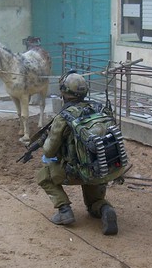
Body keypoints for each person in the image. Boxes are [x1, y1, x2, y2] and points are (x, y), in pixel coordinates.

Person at [36, 71, 118, 235]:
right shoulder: (100, 109)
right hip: (101, 169)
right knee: (94, 201)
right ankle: (104, 208)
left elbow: (49, 150)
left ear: (63, 92)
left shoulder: (64, 117)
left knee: (43, 176)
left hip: (75, 172)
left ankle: (64, 210)